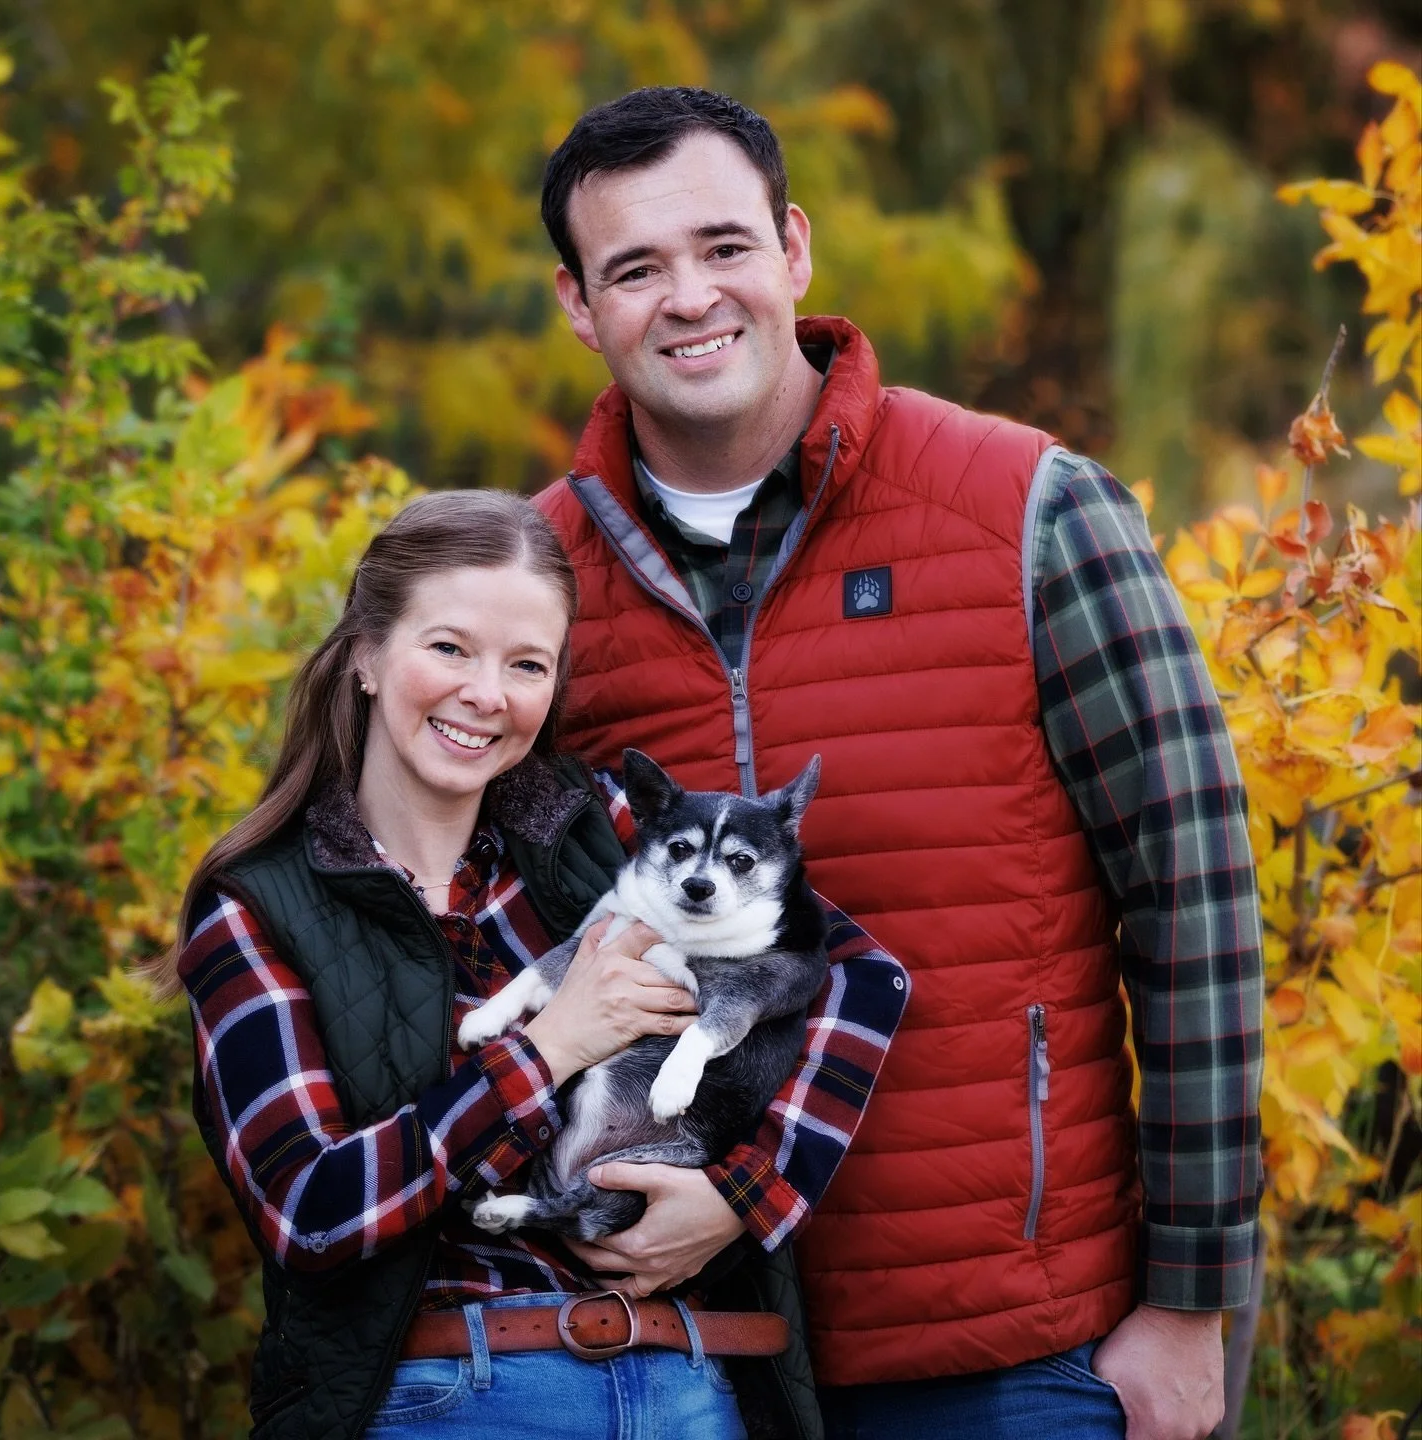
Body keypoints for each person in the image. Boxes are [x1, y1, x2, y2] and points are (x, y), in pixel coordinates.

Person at [532, 87, 1265, 1440]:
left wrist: (1193, 1304)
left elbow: (1197, 904)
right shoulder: (535, 590)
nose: (691, 298)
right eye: (635, 269)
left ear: (795, 248)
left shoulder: (1027, 510)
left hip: (1013, 1350)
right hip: (674, 1359)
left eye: (723, 246)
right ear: (578, 304)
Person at [154, 490, 907, 1440]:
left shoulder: (602, 829)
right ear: (366, 657)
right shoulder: (258, 910)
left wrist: (746, 1194)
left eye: (526, 664)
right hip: (451, 1393)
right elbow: (311, 1214)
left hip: (693, 1386)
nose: (486, 694)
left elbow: (861, 979)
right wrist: (551, 1045)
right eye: (450, 648)